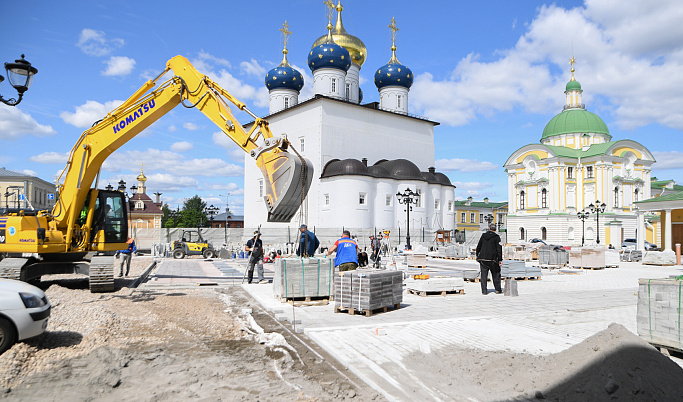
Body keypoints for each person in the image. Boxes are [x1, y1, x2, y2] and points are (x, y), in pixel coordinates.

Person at [476, 223, 503, 295]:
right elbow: (499, 249)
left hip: (483, 258)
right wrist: (500, 259)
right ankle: (498, 289)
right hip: (493, 259)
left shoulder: (483, 236)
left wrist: (477, 255)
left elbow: (479, 246)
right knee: (496, 274)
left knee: (484, 275)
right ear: (495, 229)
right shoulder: (497, 237)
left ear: (489, 228)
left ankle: (484, 291)